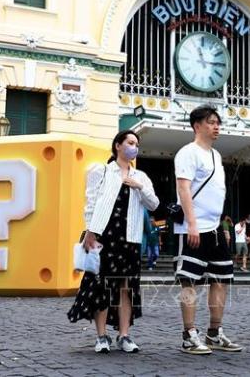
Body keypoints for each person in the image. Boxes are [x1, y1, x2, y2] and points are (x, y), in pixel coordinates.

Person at [68, 130, 159, 353]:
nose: (134, 147)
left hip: (130, 238)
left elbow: (154, 204)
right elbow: (91, 202)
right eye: (130, 142)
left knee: (126, 287)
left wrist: (139, 187)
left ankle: (124, 335)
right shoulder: (101, 171)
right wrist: (90, 231)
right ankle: (101, 337)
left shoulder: (141, 176)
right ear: (118, 145)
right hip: (105, 236)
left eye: (136, 144)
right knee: (102, 286)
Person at [173, 105, 242, 355]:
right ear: (197, 125)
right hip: (193, 227)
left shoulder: (216, 155)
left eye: (218, 123)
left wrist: (222, 226)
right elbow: (184, 189)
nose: (216, 127)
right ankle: (189, 334)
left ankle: (214, 332)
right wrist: (192, 223)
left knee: (221, 280)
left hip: (214, 228)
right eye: (211, 122)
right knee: (189, 281)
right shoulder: (187, 153)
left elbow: (216, 192)